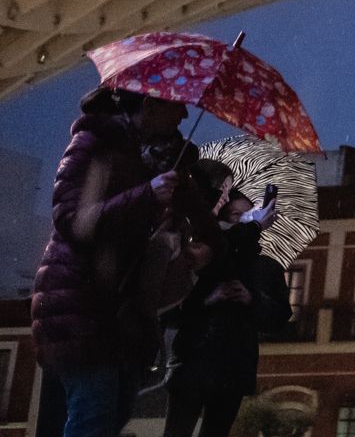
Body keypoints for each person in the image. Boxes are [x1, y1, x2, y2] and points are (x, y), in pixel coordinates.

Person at [32, 87, 223, 437]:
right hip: (82, 304)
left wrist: (204, 250)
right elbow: (73, 220)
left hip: (132, 314)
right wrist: (146, 194)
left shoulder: (173, 163)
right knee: (93, 421)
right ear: (150, 107)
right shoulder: (95, 145)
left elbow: (210, 230)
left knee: (109, 420)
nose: (184, 114)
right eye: (177, 105)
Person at [163, 187, 286, 437]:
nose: (242, 220)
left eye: (248, 214)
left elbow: (280, 316)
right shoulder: (199, 258)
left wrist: (252, 300)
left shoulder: (266, 267)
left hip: (234, 369)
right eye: (234, 215)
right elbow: (169, 311)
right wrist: (208, 300)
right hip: (193, 362)